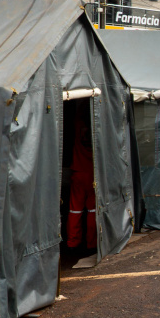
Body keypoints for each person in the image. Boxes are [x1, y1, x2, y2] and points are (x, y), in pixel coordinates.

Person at [68, 100, 96, 250]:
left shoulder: (78, 124)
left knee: (75, 210)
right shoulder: (96, 128)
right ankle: (92, 243)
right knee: (92, 210)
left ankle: (73, 242)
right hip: (92, 174)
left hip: (78, 171)